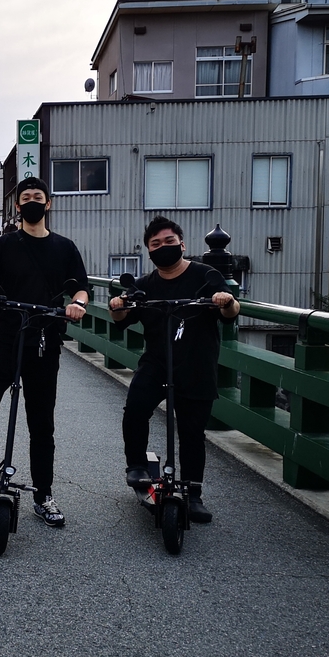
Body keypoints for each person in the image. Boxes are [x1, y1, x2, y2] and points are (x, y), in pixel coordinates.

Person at [0, 177, 89, 527]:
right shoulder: (4, 245)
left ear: (48, 204)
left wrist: (78, 304)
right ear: (18, 206)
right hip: (7, 337)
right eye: (26, 197)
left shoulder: (65, 248)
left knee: (41, 424)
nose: (32, 201)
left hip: (45, 342)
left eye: (38, 196)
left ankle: (43, 494)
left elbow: (81, 288)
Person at [108, 216, 240, 523]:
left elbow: (231, 312)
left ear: (182, 244)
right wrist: (118, 306)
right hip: (157, 361)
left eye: (169, 241)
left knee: (192, 432)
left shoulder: (205, 275)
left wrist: (225, 300)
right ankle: (136, 466)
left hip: (196, 363)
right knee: (135, 408)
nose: (163, 247)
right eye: (155, 244)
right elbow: (121, 319)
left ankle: (193, 494)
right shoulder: (144, 285)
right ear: (149, 251)